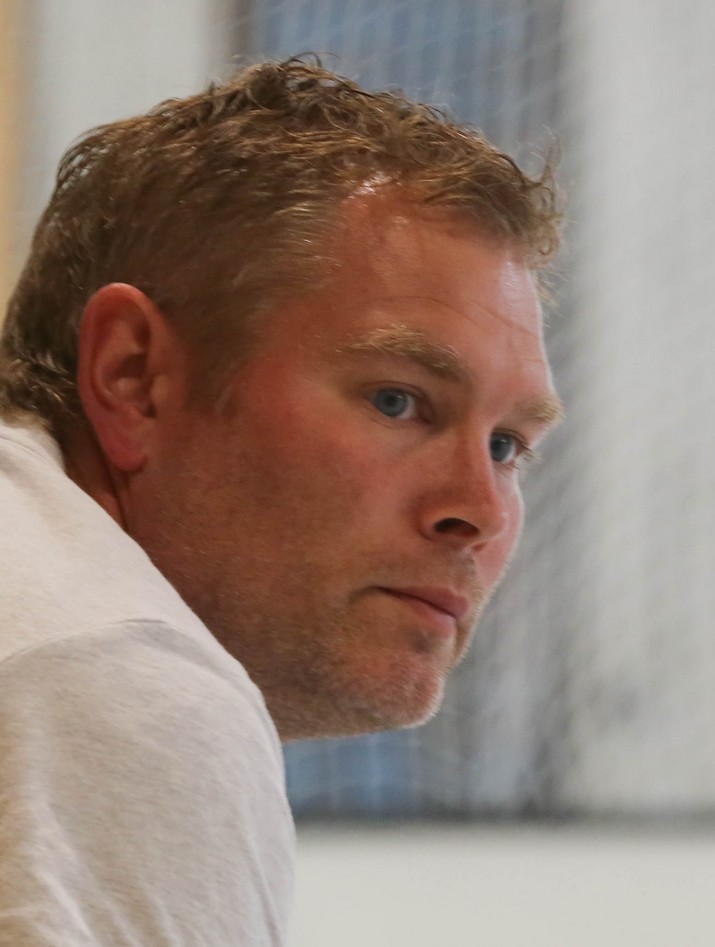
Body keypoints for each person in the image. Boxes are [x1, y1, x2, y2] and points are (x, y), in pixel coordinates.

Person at [0, 58, 563, 945]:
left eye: (506, 446)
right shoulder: (109, 676)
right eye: (398, 400)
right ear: (134, 375)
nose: (479, 511)